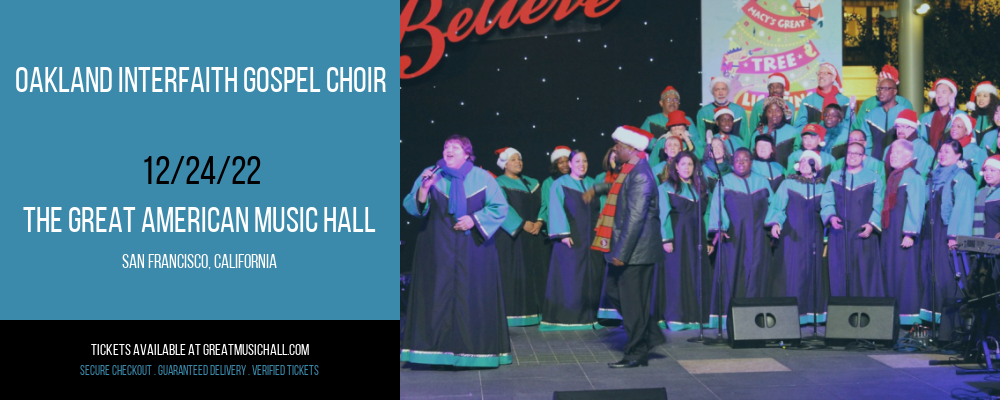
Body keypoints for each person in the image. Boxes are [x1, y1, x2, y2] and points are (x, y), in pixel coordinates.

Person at [401, 135, 512, 367]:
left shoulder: (482, 177)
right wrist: (424, 189)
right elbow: (413, 206)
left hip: (474, 249)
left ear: (467, 154)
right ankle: (433, 352)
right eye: (446, 147)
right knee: (436, 296)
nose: (448, 150)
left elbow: (500, 207)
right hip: (436, 249)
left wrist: (474, 220)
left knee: (472, 295)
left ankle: (473, 352)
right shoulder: (432, 173)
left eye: (455, 147)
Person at [584, 125, 665, 368]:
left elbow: (635, 217)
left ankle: (636, 352)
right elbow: (620, 190)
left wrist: (622, 253)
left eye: (618, 146)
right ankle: (649, 332)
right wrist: (599, 188)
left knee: (631, 302)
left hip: (635, 252)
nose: (615, 150)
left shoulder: (640, 173)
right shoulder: (631, 170)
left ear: (630, 148)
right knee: (614, 293)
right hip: (631, 249)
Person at [707, 147, 774, 327]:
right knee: (732, 272)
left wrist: (774, 224)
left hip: (759, 235)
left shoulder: (762, 181)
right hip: (733, 236)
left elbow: (773, 205)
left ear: (751, 163)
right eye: (737, 160)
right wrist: (720, 228)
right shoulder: (725, 181)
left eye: (745, 160)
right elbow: (717, 207)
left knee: (756, 271)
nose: (741, 163)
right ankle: (729, 317)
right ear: (732, 162)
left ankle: (754, 317)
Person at [540, 149, 604, 331]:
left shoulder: (593, 183)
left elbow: (601, 208)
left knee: (591, 275)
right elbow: (555, 208)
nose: (581, 164)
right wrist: (563, 234)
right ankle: (569, 317)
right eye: (577, 161)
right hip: (571, 236)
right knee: (571, 276)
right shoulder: (560, 184)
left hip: (591, 237)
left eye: (584, 161)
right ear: (570, 164)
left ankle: (590, 316)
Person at [920, 139, 976, 342]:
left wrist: (955, 237)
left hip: (948, 233)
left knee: (949, 278)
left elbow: (963, 210)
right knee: (932, 276)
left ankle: (953, 330)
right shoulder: (934, 178)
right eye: (940, 151)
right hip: (933, 233)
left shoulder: (962, 179)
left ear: (958, 155)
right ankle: (933, 326)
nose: (942, 155)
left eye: (947, 151)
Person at [766, 150, 826, 324]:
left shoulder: (822, 187)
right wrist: (776, 223)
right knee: (792, 273)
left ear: (817, 166)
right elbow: (778, 208)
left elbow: (828, 209)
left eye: (810, 161)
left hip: (814, 237)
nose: (805, 164)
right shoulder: (788, 184)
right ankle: (791, 315)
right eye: (803, 161)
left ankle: (812, 314)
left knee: (813, 272)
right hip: (792, 236)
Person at [653, 151, 710, 331]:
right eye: (683, 164)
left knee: (696, 274)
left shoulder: (700, 188)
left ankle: (695, 317)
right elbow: (663, 215)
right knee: (676, 275)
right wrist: (666, 239)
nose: (687, 168)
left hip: (697, 237)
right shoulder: (665, 188)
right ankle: (675, 317)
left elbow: (706, 215)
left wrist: (708, 239)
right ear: (676, 167)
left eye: (690, 164)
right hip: (676, 237)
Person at [821, 142, 885, 297]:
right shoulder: (835, 176)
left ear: (863, 157)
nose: (852, 156)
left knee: (864, 273)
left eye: (856, 154)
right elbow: (827, 200)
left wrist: (871, 224)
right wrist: (831, 216)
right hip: (839, 233)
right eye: (849, 153)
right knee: (839, 271)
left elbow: (880, 205)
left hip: (863, 233)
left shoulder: (873, 178)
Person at [494, 147, 547, 327]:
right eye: (514, 159)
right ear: (504, 164)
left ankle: (536, 313)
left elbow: (544, 204)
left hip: (534, 235)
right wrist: (522, 223)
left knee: (535, 273)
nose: (518, 162)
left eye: (520, 159)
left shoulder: (532, 183)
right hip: (512, 238)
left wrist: (539, 222)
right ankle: (515, 315)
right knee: (514, 274)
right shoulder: (498, 183)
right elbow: (501, 207)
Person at [880, 140, 926, 325]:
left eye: (898, 153)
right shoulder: (893, 176)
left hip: (903, 232)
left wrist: (909, 233)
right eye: (892, 152)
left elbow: (916, 206)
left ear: (909, 156)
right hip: (891, 231)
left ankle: (908, 315)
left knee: (904, 272)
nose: (893, 156)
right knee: (891, 271)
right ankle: (892, 314)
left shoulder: (913, 177)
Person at [855, 65, 912, 162]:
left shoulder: (905, 108)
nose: (881, 90)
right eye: (879, 85)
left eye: (885, 88)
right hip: (875, 163)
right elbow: (865, 141)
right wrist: (868, 162)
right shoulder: (870, 115)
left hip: (899, 161)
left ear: (894, 90)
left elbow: (912, 139)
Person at [643, 87, 701, 160]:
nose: (672, 102)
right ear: (661, 103)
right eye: (669, 100)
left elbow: (696, 141)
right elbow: (642, 139)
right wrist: (660, 145)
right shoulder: (651, 120)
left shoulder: (687, 120)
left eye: (675, 100)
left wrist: (685, 140)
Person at [794, 62, 852, 130]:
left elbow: (851, 126)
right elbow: (799, 127)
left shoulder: (845, 101)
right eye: (819, 73)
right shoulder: (807, 101)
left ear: (833, 78)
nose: (821, 76)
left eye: (825, 73)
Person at [697, 76, 749, 144]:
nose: (721, 93)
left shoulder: (739, 111)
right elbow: (701, 140)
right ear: (712, 92)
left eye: (723, 89)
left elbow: (745, 138)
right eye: (717, 90)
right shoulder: (703, 113)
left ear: (728, 91)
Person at [919, 78, 968, 148]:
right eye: (937, 92)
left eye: (944, 92)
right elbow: (922, 143)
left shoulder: (962, 117)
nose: (939, 96)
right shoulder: (926, 118)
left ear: (952, 95)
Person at [884, 109, 934, 178]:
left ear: (913, 128)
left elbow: (924, 175)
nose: (900, 130)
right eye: (898, 126)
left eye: (904, 126)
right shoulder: (889, 148)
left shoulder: (923, 148)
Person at [753, 96, 798, 168]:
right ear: (765, 114)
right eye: (770, 111)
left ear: (783, 113)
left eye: (777, 111)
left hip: (786, 174)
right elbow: (753, 157)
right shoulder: (758, 133)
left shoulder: (794, 132)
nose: (774, 114)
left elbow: (797, 157)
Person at [747, 73, 795, 139]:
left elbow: (791, 126)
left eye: (778, 87)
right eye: (771, 87)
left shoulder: (790, 106)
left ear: (783, 88)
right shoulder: (758, 105)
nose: (774, 90)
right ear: (768, 89)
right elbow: (753, 128)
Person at [538, 146, 572, 232]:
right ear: (555, 165)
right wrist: (541, 221)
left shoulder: (576, 179)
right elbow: (545, 205)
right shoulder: (548, 182)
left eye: (567, 161)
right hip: (558, 227)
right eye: (561, 162)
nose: (565, 165)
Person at [966, 81, 999, 146]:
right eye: (979, 95)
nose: (981, 99)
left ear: (991, 98)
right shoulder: (972, 117)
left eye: (985, 96)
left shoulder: (996, 117)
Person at [976, 155, 1000, 239]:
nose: (988, 173)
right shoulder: (979, 193)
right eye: (985, 170)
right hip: (979, 242)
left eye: (992, 170)